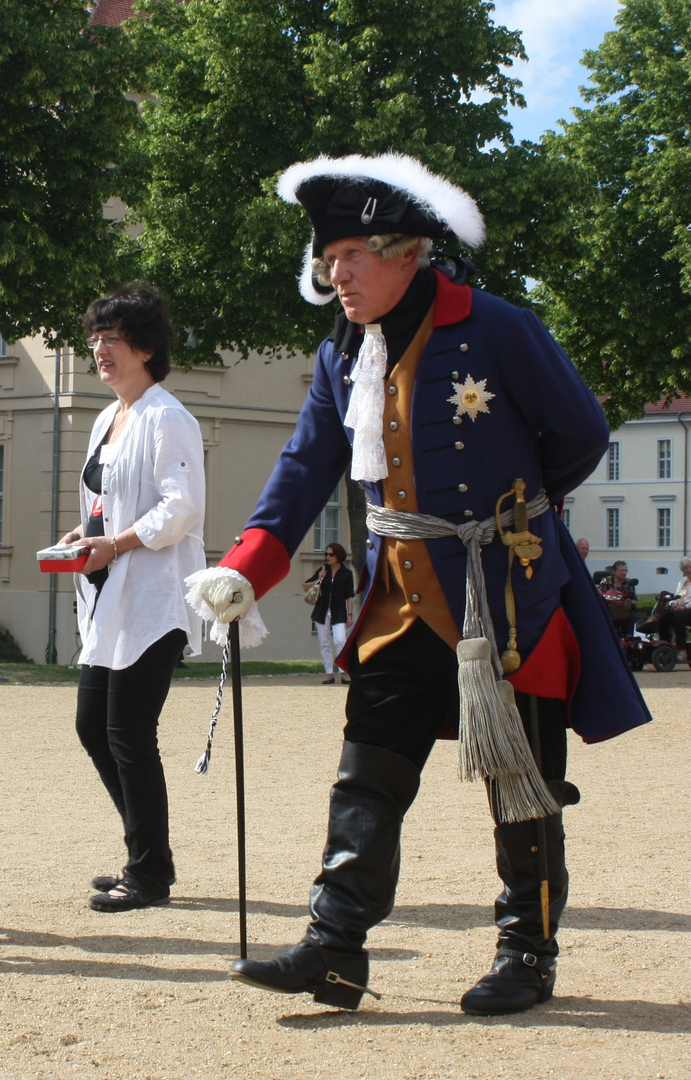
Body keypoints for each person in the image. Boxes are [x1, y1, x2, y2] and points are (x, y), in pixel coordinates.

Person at [189, 154, 650, 1016]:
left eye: (352, 256)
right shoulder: (341, 357)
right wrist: (241, 570)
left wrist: (521, 515)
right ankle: (334, 950)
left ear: (408, 252)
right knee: (365, 777)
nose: (337, 275)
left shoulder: (501, 329)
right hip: (399, 605)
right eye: (329, 261)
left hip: (508, 600)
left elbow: (580, 434)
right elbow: (301, 475)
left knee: (523, 784)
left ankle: (527, 951)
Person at [61, 283, 205, 912]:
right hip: (108, 598)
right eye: (94, 338)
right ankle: (148, 853)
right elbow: (105, 502)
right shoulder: (107, 417)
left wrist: (114, 543)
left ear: (145, 347)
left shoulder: (167, 417)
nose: (99, 349)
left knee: (128, 734)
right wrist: (84, 535)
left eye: (112, 338)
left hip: (153, 600)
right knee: (93, 728)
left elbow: (182, 509)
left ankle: (148, 872)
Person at [305, 542, 354, 685]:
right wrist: (319, 578)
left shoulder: (347, 574)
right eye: (326, 554)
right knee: (324, 643)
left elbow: (349, 596)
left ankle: (344, 672)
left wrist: (350, 614)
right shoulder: (322, 570)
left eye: (331, 554)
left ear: (339, 556)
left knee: (340, 640)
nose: (328, 556)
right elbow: (306, 586)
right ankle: (329, 674)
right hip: (322, 612)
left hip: (339, 612)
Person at [656, 557, 690, 659]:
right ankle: (667, 647)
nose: (688, 570)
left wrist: (684, 608)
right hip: (680, 608)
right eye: (685, 568)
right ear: (682, 570)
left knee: (678, 619)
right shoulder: (682, 581)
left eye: (690, 567)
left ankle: (682, 649)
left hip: (688, 608)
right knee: (663, 617)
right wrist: (673, 604)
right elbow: (676, 596)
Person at [597, 560, 637, 636]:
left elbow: (635, 601)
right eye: (622, 571)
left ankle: (628, 637)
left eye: (625, 571)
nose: (624, 573)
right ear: (614, 571)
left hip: (624, 610)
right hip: (610, 609)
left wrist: (627, 601)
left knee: (631, 614)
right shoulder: (606, 581)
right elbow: (599, 593)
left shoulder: (629, 583)